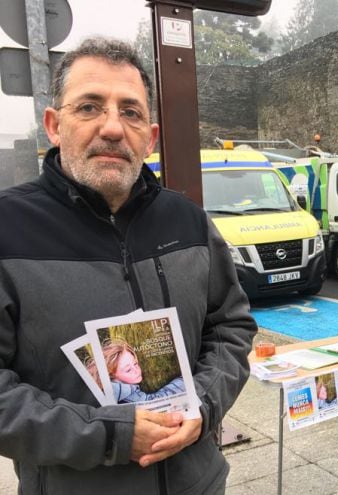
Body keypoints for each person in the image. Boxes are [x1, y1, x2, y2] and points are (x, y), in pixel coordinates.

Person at [0, 37, 257, 494]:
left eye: (131, 112)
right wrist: (111, 433)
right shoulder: (8, 229)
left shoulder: (189, 220)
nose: (113, 128)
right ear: (54, 125)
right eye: (90, 107)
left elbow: (231, 328)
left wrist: (202, 404)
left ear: (151, 137)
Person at [86, 339, 186, 404]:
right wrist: (185, 380)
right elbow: (154, 402)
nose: (136, 370)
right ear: (111, 375)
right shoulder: (119, 391)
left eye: (135, 363)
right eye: (128, 370)